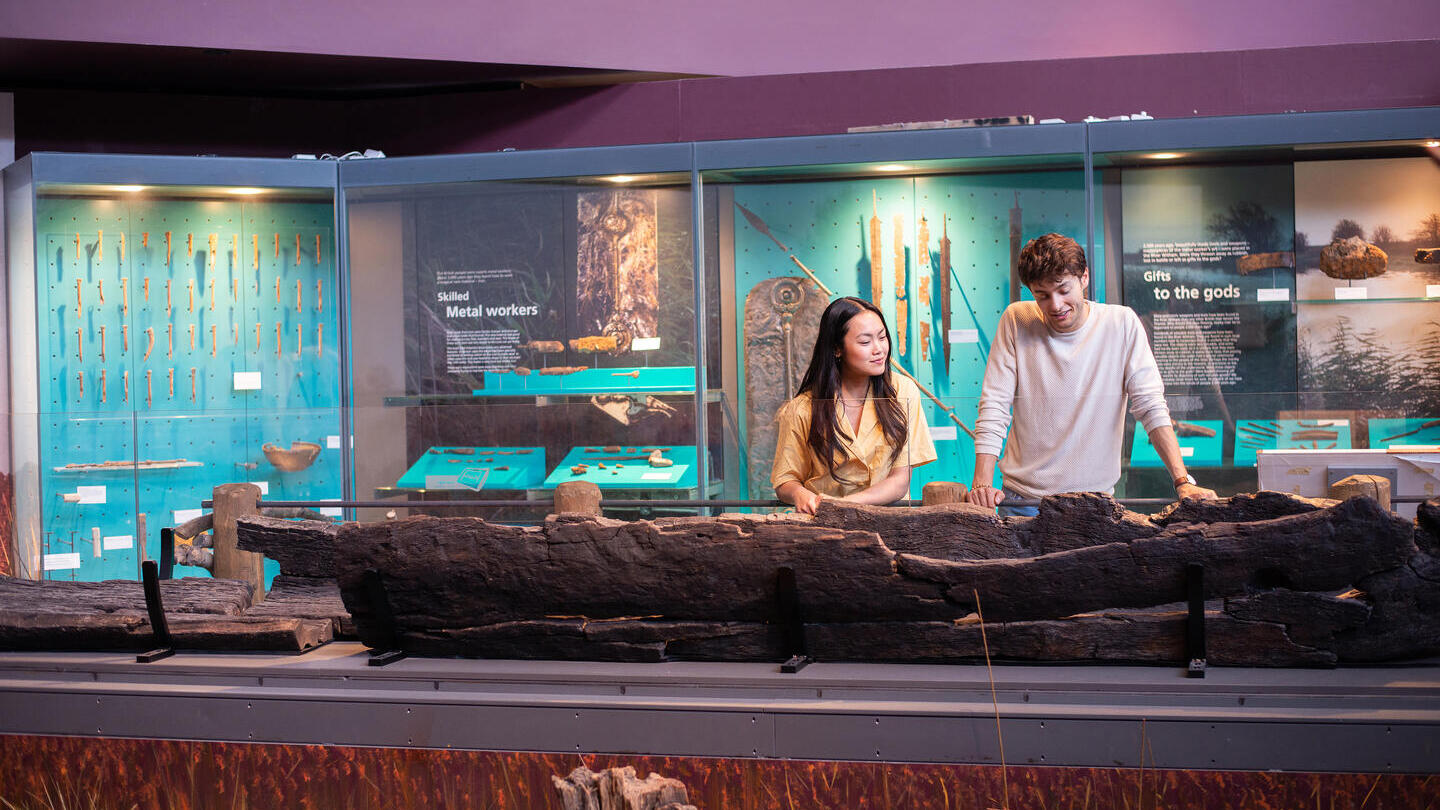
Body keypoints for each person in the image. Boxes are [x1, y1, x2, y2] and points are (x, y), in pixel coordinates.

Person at [965, 233, 1215, 514]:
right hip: (1025, 501)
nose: (1055, 305)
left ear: (1084, 278)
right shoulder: (1017, 319)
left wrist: (1182, 481)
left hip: (1095, 505)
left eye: (1063, 289)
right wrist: (982, 486)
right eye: (1042, 295)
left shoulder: (1121, 324)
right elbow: (995, 406)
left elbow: (1151, 406)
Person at [772, 297, 938, 515]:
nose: (879, 349)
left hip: (889, 521)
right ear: (837, 349)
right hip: (823, 522)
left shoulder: (902, 391)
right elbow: (785, 479)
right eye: (865, 342)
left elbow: (900, 482)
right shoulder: (803, 407)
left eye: (882, 337)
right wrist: (798, 493)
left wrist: (843, 505)